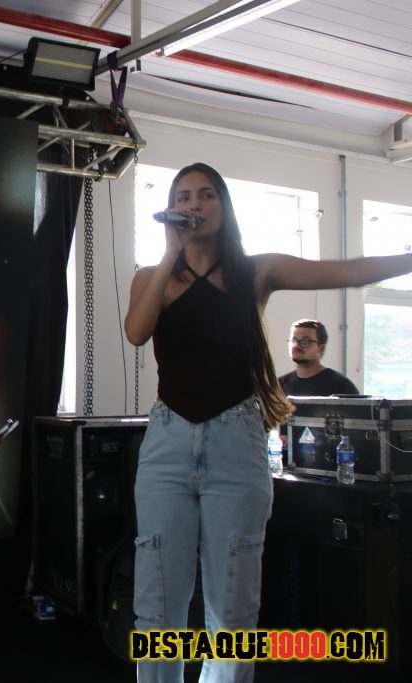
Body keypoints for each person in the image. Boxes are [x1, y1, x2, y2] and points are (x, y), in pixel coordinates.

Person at [123, 162, 412, 683]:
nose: (194, 204)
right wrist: (169, 252)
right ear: (171, 209)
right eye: (183, 196)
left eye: (206, 195)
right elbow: (136, 333)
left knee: (233, 608)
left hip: (236, 441)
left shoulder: (256, 272)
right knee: (157, 602)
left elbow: (346, 271)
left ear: (224, 207)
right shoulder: (152, 277)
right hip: (168, 443)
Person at [279, 318, 359, 396]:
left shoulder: (341, 386)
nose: (296, 346)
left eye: (305, 341)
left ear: (321, 348)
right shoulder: (279, 386)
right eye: (293, 340)